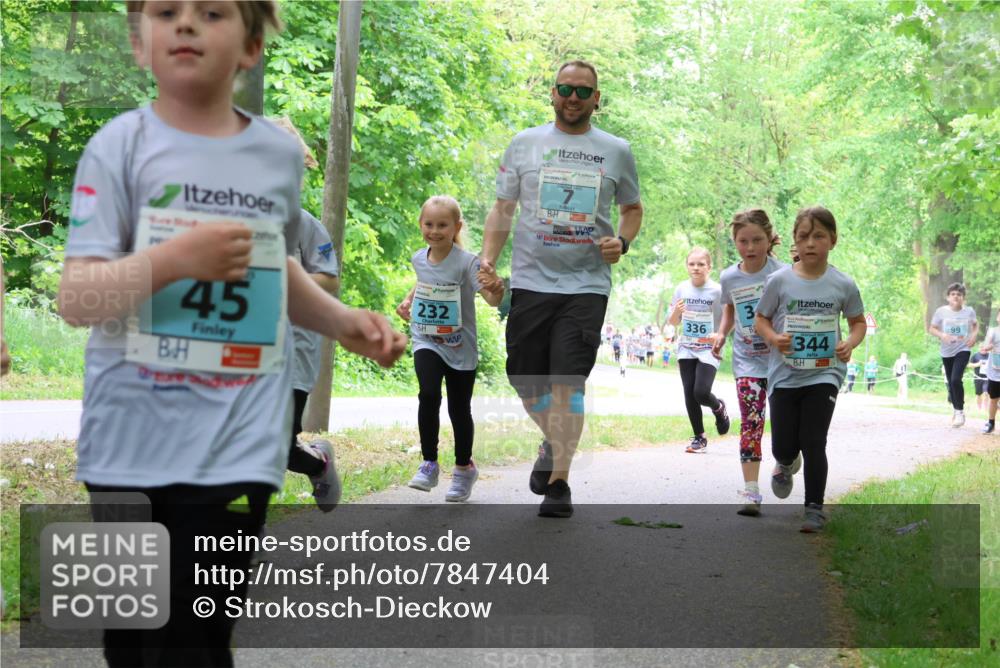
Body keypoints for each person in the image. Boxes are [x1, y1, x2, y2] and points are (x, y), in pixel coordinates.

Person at [57, 3, 407, 664]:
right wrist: (173, 261)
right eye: (166, 11)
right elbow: (77, 299)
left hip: (233, 444)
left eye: (211, 11)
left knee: (197, 641)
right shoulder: (115, 146)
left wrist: (343, 322)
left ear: (249, 46)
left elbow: (272, 264)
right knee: (130, 645)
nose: (186, 23)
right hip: (124, 445)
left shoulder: (275, 154)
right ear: (140, 43)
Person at [481, 59, 643, 518]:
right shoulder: (524, 144)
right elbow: (503, 208)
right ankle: (554, 442)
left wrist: (622, 241)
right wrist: (488, 260)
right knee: (524, 377)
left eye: (582, 91)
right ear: (552, 94)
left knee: (568, 383)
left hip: (586, 284)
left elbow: (632, 208)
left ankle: (559, 485)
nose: (573, 97)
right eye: (565, 89)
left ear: (597, 99)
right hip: (530, 280)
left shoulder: (616, 150)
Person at [755, 206, 866, 533]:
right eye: (803, 236)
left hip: (825, 373)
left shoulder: (843, 284)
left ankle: (814, 508)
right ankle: (786, 462)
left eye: (819, 235)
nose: (811, 243)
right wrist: (774, 337)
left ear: (832, 239)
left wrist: (851, 343)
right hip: (785, 375)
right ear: (795, 242)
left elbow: (857, 322)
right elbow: (760, 319)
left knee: (814, 440)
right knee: (784, 445)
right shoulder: (779, 281)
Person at [396, 196, 504, 502]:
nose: (435, 230)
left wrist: (497, 290)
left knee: (459, 409)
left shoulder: (467, 262)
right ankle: (429, 463)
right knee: (428, 393)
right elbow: (425, 281)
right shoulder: (419, 258)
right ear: (421, 225)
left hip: (460, 347)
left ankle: (463, 468)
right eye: (428, 224)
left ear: (456, 227)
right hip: (426, 339)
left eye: (442, 225)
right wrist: (409, 300)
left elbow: (491, 299)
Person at [270, 117, 342, 511]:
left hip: (293, 349)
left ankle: (317, 460)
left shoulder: (304, 226)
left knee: (279, 445)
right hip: (240, 350)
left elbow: (328, 280)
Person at [713, 209, 785, 516]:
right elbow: (729, 310)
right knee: (752, 423)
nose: (750, 247)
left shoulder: (782, 274)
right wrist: (720, 333)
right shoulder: (729, 277)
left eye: (757, 240)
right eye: (743, 241)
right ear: (735, 242)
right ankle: (751, 492)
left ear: (769, 240)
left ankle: (786, 460)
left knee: (785, 427)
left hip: (781, 362)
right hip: (746, 362)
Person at [669, 246, 729, 453]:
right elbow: (673, 321)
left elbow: (728, 320)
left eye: (701, 264)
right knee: (689, 393)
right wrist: (676, 311)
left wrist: (718, 336)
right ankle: (699, 438)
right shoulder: (681, 289)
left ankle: (718, 408)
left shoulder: (718, 291)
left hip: (708, 348)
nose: (696, 268)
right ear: (687, 266)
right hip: (686, 346)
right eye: (692, 264)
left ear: (709, 267)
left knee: (701, 392)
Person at [929, 282, 979, 427]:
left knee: (956, 379)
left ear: (963, 298)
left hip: (963, 349)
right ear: (948, 297)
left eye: (959, 294)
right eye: (953, 294)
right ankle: (957, 409)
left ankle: (960, 412)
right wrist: (942, 335)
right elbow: (932, 328)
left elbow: (975, 325)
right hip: (946, 351)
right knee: (951, 383)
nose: (956, 297)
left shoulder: (969, 311)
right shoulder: (941, 312)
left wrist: (974, 337)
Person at [979, 309, 1000, 434]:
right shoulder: (993, 331)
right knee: (994, 399)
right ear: (997, 317)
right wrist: (988, 346)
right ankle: (991, 423)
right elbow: (985, 346)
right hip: (995, 372)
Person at [970, 346, 989, 414]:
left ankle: (986, 409)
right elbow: (969, 365)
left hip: (987, 378)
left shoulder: (990, 355)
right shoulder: (975, 355)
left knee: (986, 393)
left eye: (985, 348)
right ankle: (979, 408)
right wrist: (978, 364)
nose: (984, 349)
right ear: (979, 348)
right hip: (978, 377)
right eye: (982, 348)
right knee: (979, 394)